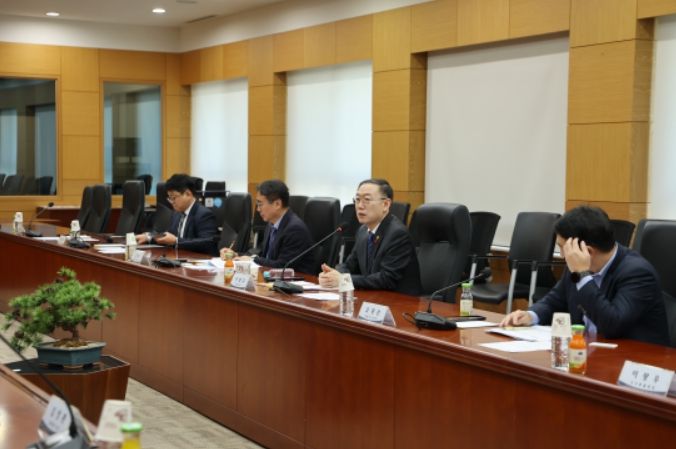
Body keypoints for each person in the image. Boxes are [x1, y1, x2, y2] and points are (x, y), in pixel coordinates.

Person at [501, 206, 670, 346]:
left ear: (586, 251)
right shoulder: (575, 265)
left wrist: (582, 275)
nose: (563, 255)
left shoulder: (637, 273)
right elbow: (555, 300)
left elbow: (612, 324)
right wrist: (531, 315)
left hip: (634, 360)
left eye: (563, 248)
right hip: (590, 352)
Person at [318, 178, 421, 295]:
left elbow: (386, 279)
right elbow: (349, 265)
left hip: (401, 301)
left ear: (385, 204)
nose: (360, 206)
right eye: (357, 199)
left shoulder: (398, 234)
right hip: (373, 298)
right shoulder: (363, 231)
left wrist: (343, 280)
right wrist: (333, 275)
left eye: (367, 200)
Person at [220, 179, 315, 274]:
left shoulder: (295, 229)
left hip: (295, 281)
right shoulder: (271, 224)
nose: (258, 209)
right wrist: (237, 255)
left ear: (277, 204)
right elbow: (261, 253)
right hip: (270, 277)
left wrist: (252, 260)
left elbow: (283, 266)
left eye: (260, 204)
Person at [136, 173, 218, 256]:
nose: (172, 202)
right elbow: (168, 237)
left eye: (174, 198)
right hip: (179, 258)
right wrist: (149, 237)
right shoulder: (177, 214)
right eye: (170, 198)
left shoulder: (204, 214)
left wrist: (176, 241)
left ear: (188, 194)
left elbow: (207, 242)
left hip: (198, 260)